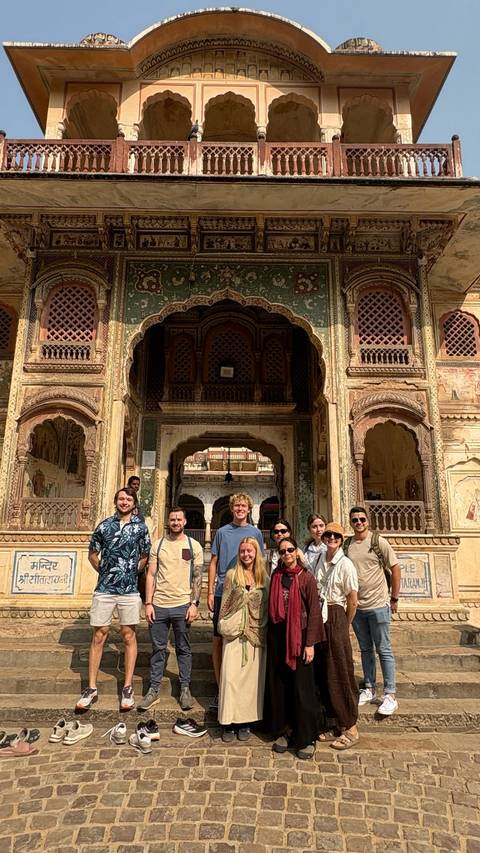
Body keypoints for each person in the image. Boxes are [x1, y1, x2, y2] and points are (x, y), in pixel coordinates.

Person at [76, 487, 151, 712]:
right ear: (115, 501)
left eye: (128, 499)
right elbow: (92, 554)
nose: (124, 502)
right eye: (120, 498)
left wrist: (131, 573)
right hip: (105, 589)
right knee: (100, 634)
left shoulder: (140, 528)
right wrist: (106, 571)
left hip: (128, 590)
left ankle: (127, 687)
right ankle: (91, 687)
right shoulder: (104, 526)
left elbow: (145, 555)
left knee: (128, 635)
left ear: (134, 502)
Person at [263, 537, 325, 760]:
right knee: (282, 687)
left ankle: (306, 736)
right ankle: (285, 730)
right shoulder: (277, 576)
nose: (287, 554)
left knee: (302, 689)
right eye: (282, 551)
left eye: (290, 550)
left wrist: (310, 644)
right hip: (279, 638)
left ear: (297, 552)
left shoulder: (306, 578)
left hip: (299, 639)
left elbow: (315, 613)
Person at [139, 507, 204, 713]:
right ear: (169, 522)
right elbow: (150, 575)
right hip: (159, 605)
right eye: (172, 519)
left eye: (179, 519)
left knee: (183, 649)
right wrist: (148, 603)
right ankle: (154, 689)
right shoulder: (158, 545)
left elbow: (197, 577)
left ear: (185, 522)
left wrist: (194, 603)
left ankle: (185, 688)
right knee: (158, 649)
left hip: (182, 604)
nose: (175, 522)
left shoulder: (193, 546)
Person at [207, 493, 264, 707]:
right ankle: (220, 687)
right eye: (237, 505)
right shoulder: (222, 532)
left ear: (249, 509)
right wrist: (211, 592)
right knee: (219, 638)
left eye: (243, 505)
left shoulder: (255, 533)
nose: (240, 509)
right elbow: (214, 562)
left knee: (245, 639)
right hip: (224, 591)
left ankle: (242, 688)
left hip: (248, 592)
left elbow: (259, 561)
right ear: (232, 509)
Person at [344, 506, 401, 716]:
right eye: (355, 520)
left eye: (361, 519)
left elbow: (395, 568)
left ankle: (390, 694)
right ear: (350, 522)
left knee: (384, 649)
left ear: (368, 521)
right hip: (358, 607)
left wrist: (394, 598)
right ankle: (368, 687)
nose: (358, 522)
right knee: (365, 649)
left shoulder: (378, 542)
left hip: (378, 604)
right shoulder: (348, 545)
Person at [312, 522, 359, 750]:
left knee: (340, 669)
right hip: (320, 615)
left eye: (336, 536)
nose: (331, 538)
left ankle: (350, 725)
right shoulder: (319, 559)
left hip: (336, 614)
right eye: (328, 535)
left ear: (341, 540)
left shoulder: (345, 564)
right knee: (324, 670)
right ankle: (334, 721)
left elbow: (352, 600)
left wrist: (344, 624)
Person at [218, 537, 269, 743]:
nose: (246, 555)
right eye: (243, 551)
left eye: (250, 551)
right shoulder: (232, 575)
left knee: (250, 682)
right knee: (230, 679)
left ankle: (245, 721)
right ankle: (228, 721)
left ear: (256, 553)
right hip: (234, 634)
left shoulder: (264, 578)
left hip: (255, 634)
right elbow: (226, 605)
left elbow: (267, 606)